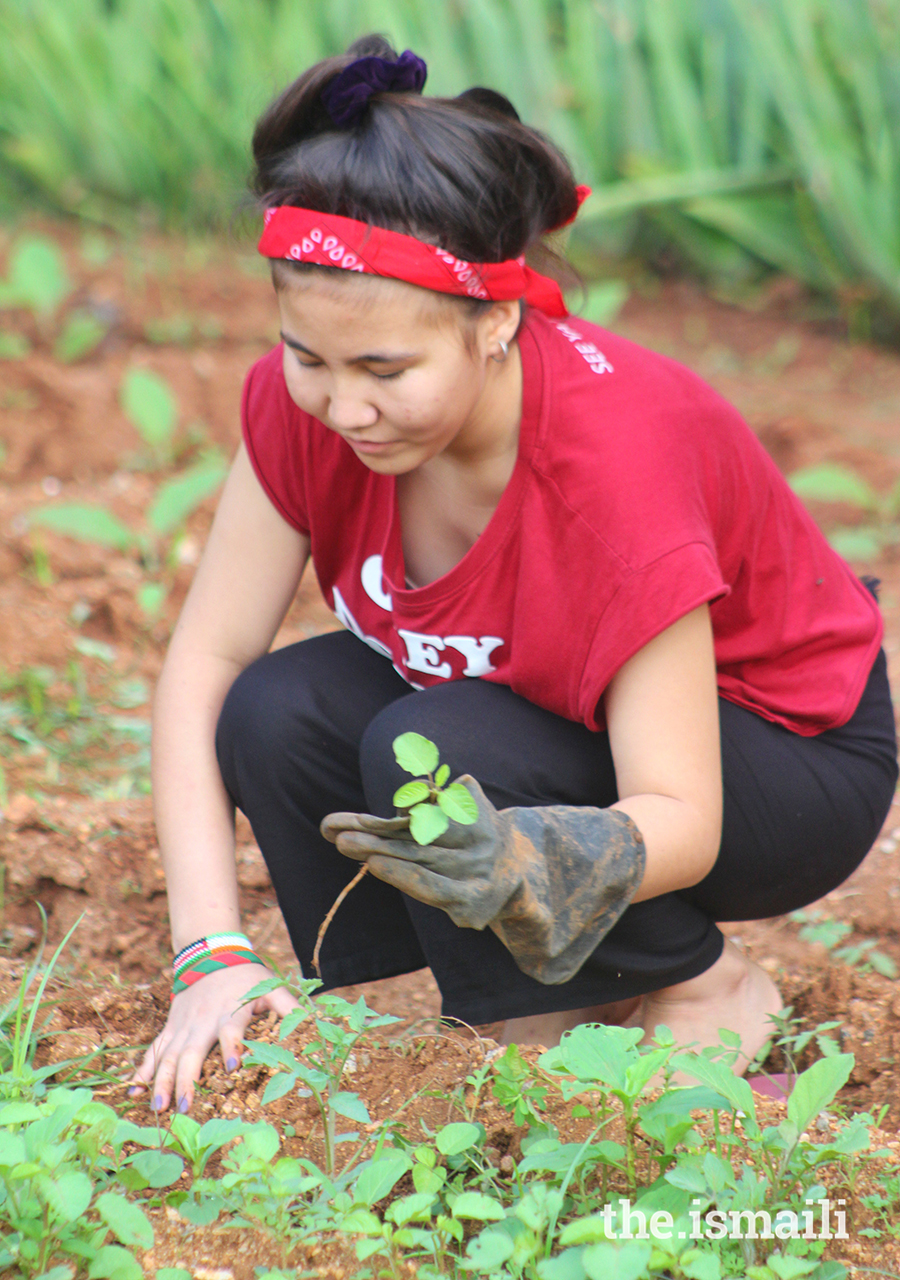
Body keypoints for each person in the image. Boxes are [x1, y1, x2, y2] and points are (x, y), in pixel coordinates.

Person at [131, 36, 898, 1116]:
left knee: (442, 750)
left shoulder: (609, 469)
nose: (344, 408)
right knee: (279, 706)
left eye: (385, 371)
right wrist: (208, 952)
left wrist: (542, 853)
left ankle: (699, 984)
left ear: (496, 321)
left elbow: (684, 807)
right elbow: (206, 663)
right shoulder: (305, 415)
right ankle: (433, 1007)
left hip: (778, 755)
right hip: (544, 712)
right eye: (309, 357)